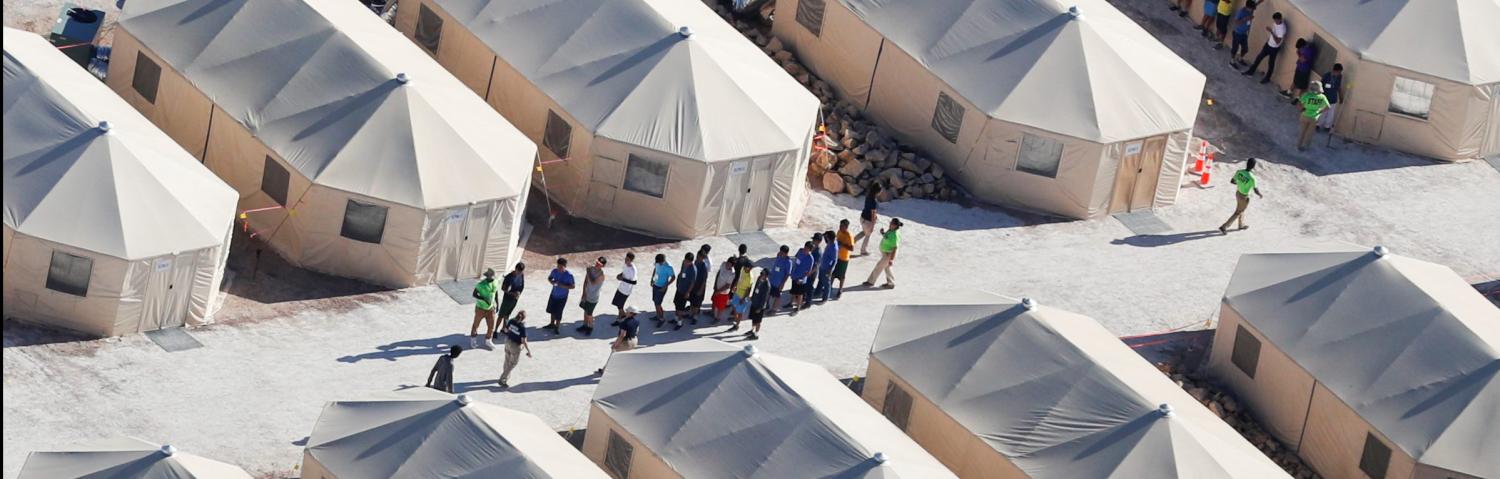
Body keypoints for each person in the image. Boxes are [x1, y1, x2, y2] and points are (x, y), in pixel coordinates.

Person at [1219, 158, 1265, 234]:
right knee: (1238, 212)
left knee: (1241, 209)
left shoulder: (1239, 172)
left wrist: (1240, 183)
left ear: (1247, 164)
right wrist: (1260, 194)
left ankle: (1241, 225)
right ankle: (1224, 227)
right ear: (1253, 166)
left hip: (1238, 193)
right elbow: (1255, 190)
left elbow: (1232, 181)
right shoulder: (1252, 178)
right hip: (1244, 197)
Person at [1243, 12, 1286, 84]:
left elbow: (1278, 41)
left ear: (1280, 19)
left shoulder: (1282, 29)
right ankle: (1250, 71)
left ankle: (1267, 78)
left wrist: (1271, 32)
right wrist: (1268, 41)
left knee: (1271, 63)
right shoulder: (1275, 23)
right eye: (1274, 20)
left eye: (1276, 20)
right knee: (1259, 57)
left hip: (1274, 48)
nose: (1275, 22)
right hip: (1268, 45)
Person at [597, 307, 640, 375]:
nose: (626, 312)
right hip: (634, 341)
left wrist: (615, 344)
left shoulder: (624, 323)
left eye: (627, 311)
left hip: (626, 342)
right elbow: (637, 331)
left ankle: (605, 371)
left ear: (630, 313)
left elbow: (622, 335)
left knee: (614, 355)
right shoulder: (637, 322)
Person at [862, 218, 902, 289]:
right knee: (887, 268)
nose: (890, 224)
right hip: (886, 253)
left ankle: (871, 281)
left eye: (892, 224)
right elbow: (887, 237)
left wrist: (891, 259)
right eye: (890, 223)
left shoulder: (895, 235)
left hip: (889, 254)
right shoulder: (891, 230)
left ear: (895, 226)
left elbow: (895, 248)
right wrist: (883, 233)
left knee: (879, 266)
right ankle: (891, 283)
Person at [497, 311, 532, 388]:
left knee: (507, 359)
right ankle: (503, 378)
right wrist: (528, 351)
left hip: (507, 342)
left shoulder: (511, 321)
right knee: (512, 363)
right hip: (516, 346)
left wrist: (512, 332)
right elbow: (524, 341)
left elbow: (505, 330)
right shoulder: (522, 327)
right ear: (523, 318)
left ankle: (505, 375)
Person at [470, 268, 499, 350]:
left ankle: (488, 341)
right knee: (476, 325)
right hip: (480, 308)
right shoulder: (481, 284)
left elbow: (496, 292)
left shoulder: (496, 281)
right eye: (492, 276)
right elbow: (474, 294)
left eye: (494, 276)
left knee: (491, 326)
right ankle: (473, 340)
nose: (493, 278)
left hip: (491, 308)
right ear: (488, 276)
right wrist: (483, 299)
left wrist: (497, 304)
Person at [1296, 81, 1330, 151]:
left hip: (1305, 115)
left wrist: (1301, 109)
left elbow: (1299, 103)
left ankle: (1299, 145)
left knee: (1302, 131)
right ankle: (1305, 146)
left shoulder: (1306, 95)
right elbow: (1328, 107)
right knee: (1309, 133)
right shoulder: (1322, 97)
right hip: (1314, 117)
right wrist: (1319, 112)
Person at [577, 257, 606, 335]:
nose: (597, 265)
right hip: (587, 295)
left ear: (602, 266)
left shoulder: (601, 275)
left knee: (589, 314)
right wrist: (583, 293)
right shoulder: (591, 269)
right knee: (585, 311)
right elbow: (586, 281)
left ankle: (590, 327)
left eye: (599, 264)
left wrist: (588, 271)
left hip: (593, 297)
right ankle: (585, 325)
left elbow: (593, 282)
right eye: (597, 263)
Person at [544, 258, 575, 332]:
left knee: (559, 312)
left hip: (562, 297)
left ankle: (557, 327)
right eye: (558, 266)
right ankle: (552, 324)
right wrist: (551, 282)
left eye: (561, 267)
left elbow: (573, 286)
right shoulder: (554, 271)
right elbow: (550, 278)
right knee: (552, 310)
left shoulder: (569, 275)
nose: (559, 268)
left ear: (565, 266)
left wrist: (563, 286)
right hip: (553, 294)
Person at [853, 182, 882, 256]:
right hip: (868, 221)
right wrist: (872, 225)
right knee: (867, 235)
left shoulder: (868, 196)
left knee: (864, 232)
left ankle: (852, 241)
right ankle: (863, 250)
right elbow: (873, 214)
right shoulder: (874, 202)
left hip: (862, 218)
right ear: (877, 192)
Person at [672, 252, 697, 329]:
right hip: (679, 288)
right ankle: (676, 319)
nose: (686, 262)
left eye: (688, 262)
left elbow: (692, 283)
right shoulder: (684, 263)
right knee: (676, 303)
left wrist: (688, 292)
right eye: (685, 260)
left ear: (691, 261)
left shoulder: (693, 270)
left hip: (684, 291)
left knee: (681, 308)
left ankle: (680, 323)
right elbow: (681, 273)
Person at [1228, 1, 1257, 66]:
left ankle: (1240, 59)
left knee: (1245, 49)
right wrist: (1246, 19)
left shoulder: (1250, 10)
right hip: (1237, 33)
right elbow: (1236, 22)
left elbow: (1256, 4)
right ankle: (1232, 61)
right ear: (1247, 7)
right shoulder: (1241, 12)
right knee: (1235, 48)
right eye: (1252, 8)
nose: (1253, 10)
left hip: (1244, 33)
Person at [789, 242, 815, 315]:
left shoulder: (810, 259)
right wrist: (792, 273)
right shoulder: (800, 252)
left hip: (801, 279)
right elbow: (796, 262)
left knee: (800, 294)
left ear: (810, 250)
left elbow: (808, 272)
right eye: (805, 247)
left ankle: (798, 307)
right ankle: (791, 303)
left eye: (807, 249)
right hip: (795, 275)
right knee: (793, 291)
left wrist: (801, 279)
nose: (805, 249)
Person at [745, 269, 771, 340]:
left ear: (766, 276)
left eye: (763, 274)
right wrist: (752, 297)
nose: (761, 274)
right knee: (753, 318)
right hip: (754, 302)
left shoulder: (767, 285)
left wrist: (760, 308)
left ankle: (756, 334)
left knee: (758, 321)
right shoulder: (759, 279)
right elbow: (755, 289)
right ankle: (752, 330)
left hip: (760, 306)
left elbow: (765, 298)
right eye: (761, 273)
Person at [1317, 64, 1343, 132]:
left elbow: (1339, 87)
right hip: (1325, 98)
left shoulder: (1339, 77)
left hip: (1333, 98)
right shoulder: (1326, 76)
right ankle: (1318, 125)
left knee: (1331, 113)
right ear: (1335, 70)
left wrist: (1341, 96)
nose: (1339, 74)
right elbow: (1320, 86)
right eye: (1339, 72)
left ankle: (1327, 126)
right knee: (1323, 112)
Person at [649, 254, 674, 323]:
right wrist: (652, 279)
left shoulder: (669, 267)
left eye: (660, 262)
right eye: (657, 262)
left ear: (663, 261)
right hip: (655, 285)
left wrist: (666, 286)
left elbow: (673, 277)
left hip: (662, 287)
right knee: (655, 301)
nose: (658, 264)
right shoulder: (657, 263)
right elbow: (655, 270)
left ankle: (662, 318)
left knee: (658, 304)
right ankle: (658, 316)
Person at [690, 245, 711, 322]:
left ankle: (695, 316)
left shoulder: (704, 266)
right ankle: (691, 314)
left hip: (699, 287)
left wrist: (701, 290)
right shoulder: (695, 262)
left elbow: (704, 280)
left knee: (697, 303)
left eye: (699, 257)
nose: (697, 258)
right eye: (697, 256)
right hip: (693, 285)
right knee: (692, 301)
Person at [612, 253, 637, 319]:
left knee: (620, 305)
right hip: (620, 288)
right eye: (625, 259)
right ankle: (623, 315)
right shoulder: (625, 265)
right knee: (617, 304)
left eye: (627, 259)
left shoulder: (633, 270)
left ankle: (621, 318)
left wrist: (623, 279)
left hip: (626, 291)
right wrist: (619, 275)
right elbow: (624, 272)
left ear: (631, 260)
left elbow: (634, 282)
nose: (626, 260)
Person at [834, 220, 854, 299]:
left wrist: (842, 244)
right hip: (837, 256)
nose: (840, 227)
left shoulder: (849, 235)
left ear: (846, 227)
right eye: (840, 225)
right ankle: (829, 288)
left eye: (842, 226)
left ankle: (840, 289)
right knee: (833, 273)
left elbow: (851, 248)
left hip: (844, 258)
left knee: (841, 276)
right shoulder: (839, 231)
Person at [712, 257, 736, 323]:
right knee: (714, 301)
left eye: (730, 264)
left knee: (720, 306)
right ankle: (712, 313)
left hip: (723, 293)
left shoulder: (732, 273)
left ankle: (717, 318)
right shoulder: (723, 264)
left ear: (732, 265)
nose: (727, 265)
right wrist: (715, 285)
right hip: (717, 288)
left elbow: (728, 285)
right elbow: (718, 273)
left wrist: (719, 291)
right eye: (727, 263)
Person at [768, 245, 791, 314]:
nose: (780, 253)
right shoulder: (779, 256)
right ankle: (766, 305)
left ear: (786, 253)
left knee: (777, 296)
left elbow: (787, 274)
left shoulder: (788, 262)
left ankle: (774, 309)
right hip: (772, 279)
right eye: (780, 251)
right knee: (769, 292)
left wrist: (782, 283)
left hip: (779, 282)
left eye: (782, 252)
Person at [816, 231, 837, 303]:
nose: (825, 238)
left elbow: (835, 260)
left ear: (829, 237)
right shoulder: (830, 243)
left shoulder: (834, 247)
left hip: (827, 268)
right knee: (820, 279)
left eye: (826, 237)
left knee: (826, 283)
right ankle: (817, 292)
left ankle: (825, 298)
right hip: (823, 266)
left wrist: (830, 270)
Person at [803, 233, 823, 309]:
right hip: (808, 271)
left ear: (818, 241)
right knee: (806, 286)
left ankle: (808, 303)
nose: (813, 241)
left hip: (812, 273)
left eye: (814, 240)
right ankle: (804, 298)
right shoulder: (813, 248)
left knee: (809, 287)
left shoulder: (818, 252)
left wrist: (810, 273)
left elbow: (817, 265)